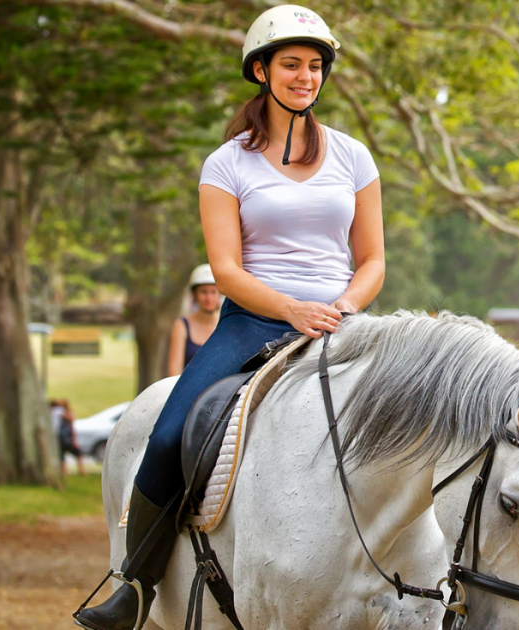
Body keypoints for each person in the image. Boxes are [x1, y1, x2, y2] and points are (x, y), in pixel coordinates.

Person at [75, 6, 384, 629]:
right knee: (166, 437)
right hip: (253, 323)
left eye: (315, 66)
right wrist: (291, 308)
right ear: (261, 71)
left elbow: (373, 259)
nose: (305, 77)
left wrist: (343, 307)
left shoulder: (354, 156)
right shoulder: (228, 164)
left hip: (343, 323)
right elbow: (226, 269)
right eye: (291, 64)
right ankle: (134, 583)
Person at [168, 264, 221, 376]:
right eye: (203, 292)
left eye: (213, 292)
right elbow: (174, 371)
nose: (209, 298)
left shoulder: (225, 324)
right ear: (194, 294)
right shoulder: (181, 326)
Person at [57, 400, 85, 477]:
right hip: (66, 439)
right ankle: (81, 470)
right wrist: (74, 440)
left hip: (61, 439)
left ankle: (65, 472)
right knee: (77, 453)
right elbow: (72, 429)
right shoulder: (66, 415)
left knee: (62, 456)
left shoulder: (59, 415)